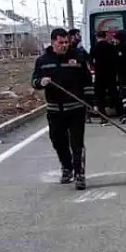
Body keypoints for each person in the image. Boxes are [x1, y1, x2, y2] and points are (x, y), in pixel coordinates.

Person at [31, 28, 94, 190]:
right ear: (53, 43)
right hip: (55, 110)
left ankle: (80, 173)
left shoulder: (77, 57)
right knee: (58, 141)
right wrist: (40, 82)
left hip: (76, 108)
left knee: (76, 143)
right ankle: (67, 167)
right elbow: (34, 81)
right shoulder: (43, 60)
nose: (64, 45)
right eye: (61, 43)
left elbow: (87, 81)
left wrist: (91, 102)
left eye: (66, 42)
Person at [90, 30, 119, 126]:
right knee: (114, 94)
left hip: (100, 75)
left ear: (97, 37)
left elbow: (91, 61)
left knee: (99, 97)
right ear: (105, 36)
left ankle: (103, 117)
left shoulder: (94, 48)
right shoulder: (111, 47)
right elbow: (116, 59)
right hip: (111, 74)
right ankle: (121, 114)